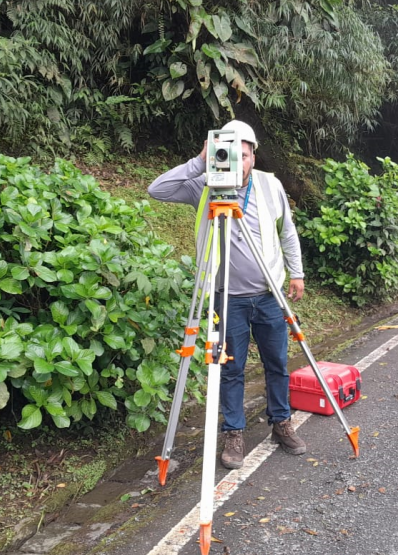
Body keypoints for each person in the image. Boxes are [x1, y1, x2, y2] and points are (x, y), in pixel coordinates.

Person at [148, 120, 307, 469]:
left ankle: (281, 422)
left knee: (277, 363)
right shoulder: (204, 184)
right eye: (230, 153)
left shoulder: (270, 185)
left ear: (253, 157)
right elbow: (156, 190)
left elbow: (287, 231)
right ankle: (234, 432)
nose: (238, 161)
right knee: (230, 369)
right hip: (227, 298)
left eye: (244, 155)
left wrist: (296, 273)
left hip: (268, 294)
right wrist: (199, 162)